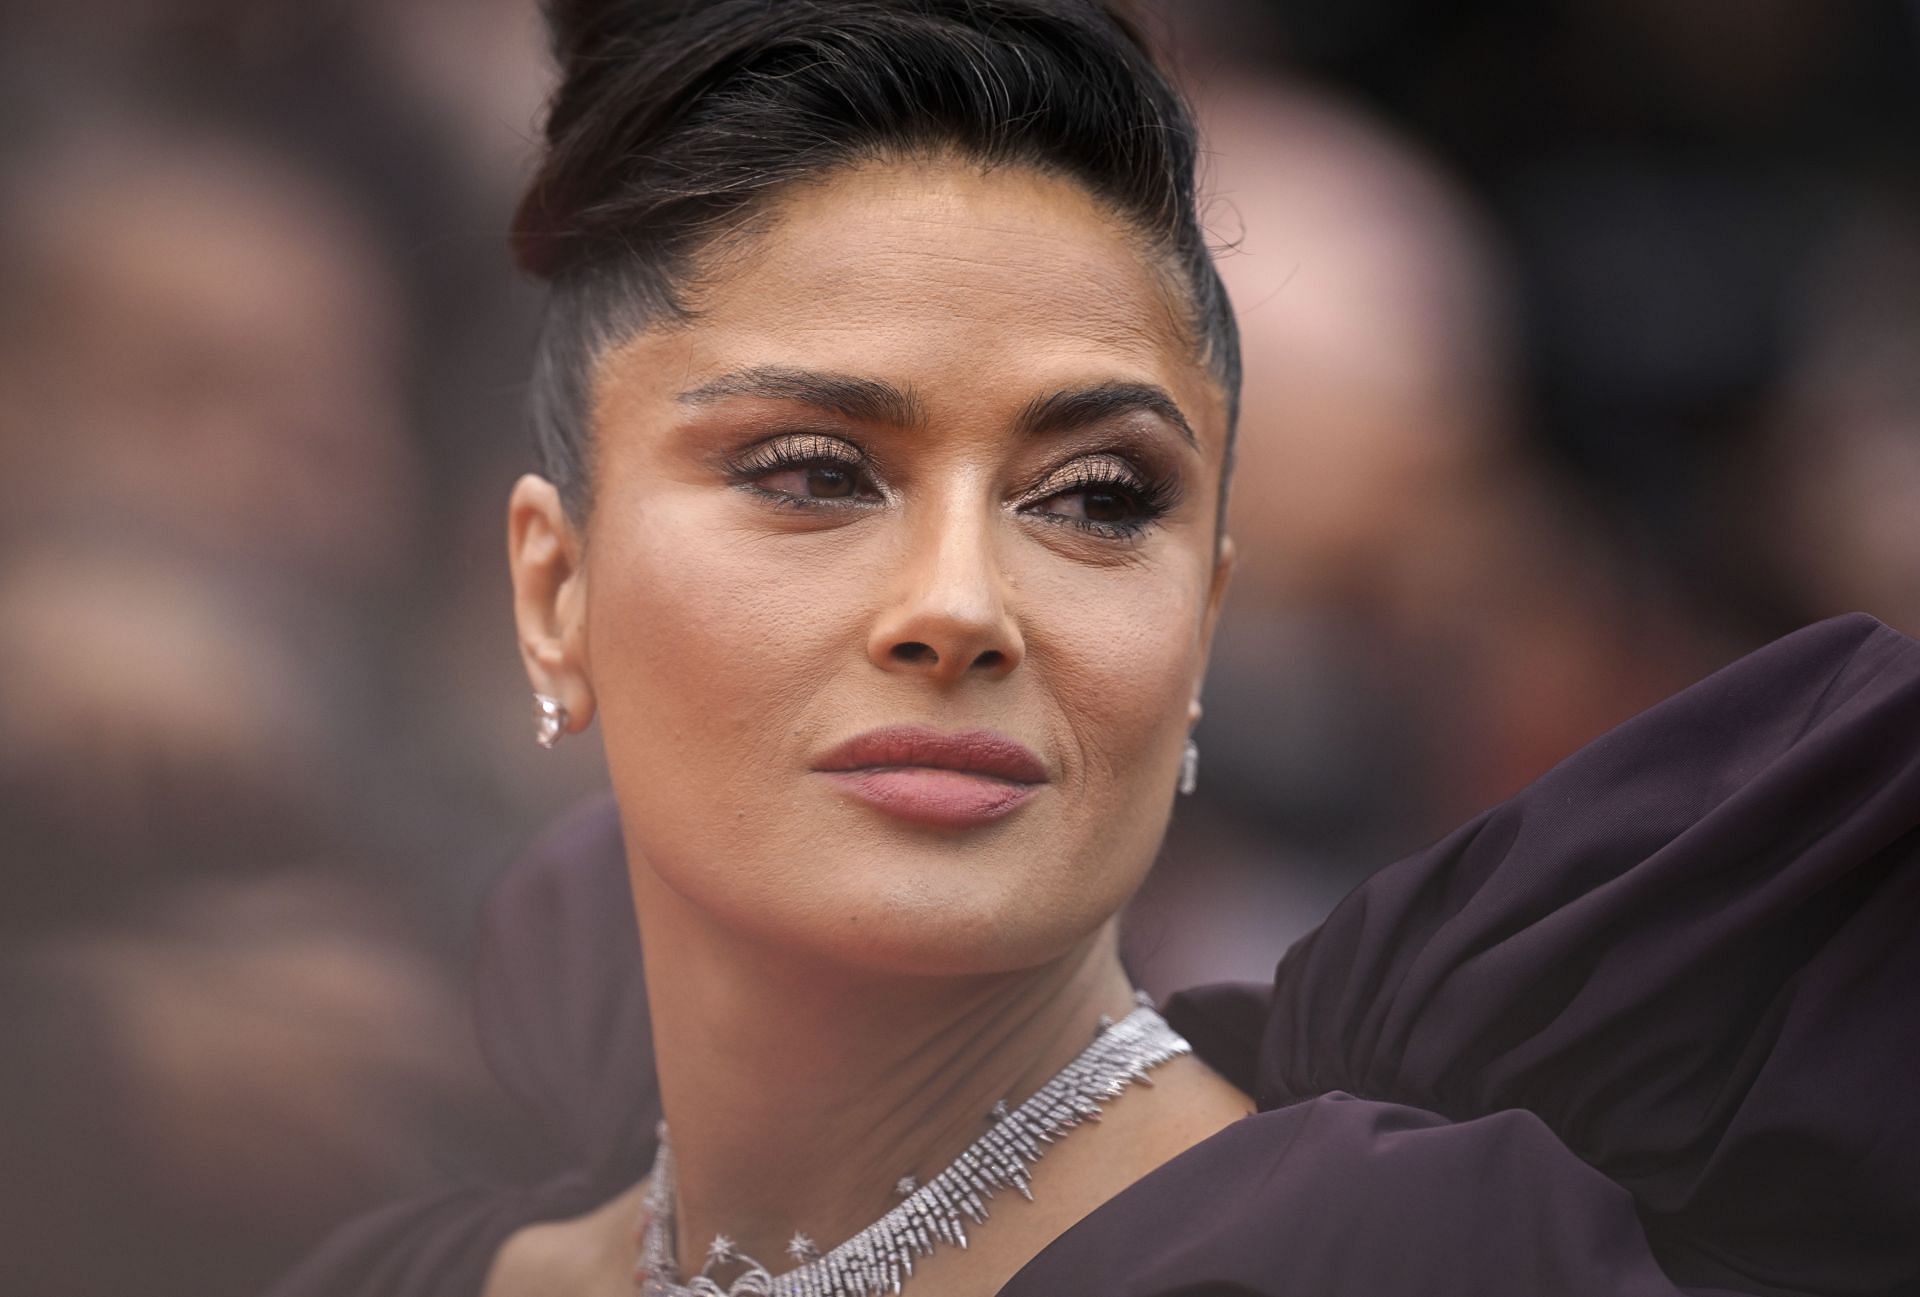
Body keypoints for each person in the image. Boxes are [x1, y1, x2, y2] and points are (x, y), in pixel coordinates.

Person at [271, 3, 1920, 1294]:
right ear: (557, 591)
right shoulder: (387, 1267)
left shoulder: (1414, 1255)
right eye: (811, 473)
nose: (962, 604)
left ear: (1204, 618)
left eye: (1096, 497)